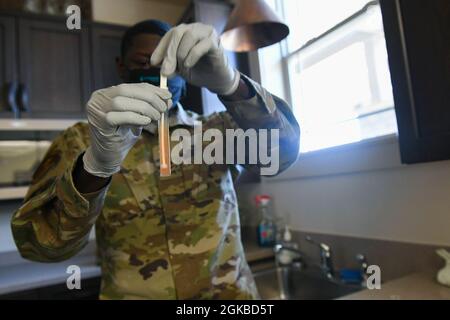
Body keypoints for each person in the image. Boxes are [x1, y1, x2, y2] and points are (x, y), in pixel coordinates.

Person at [11, 20, 300, 300]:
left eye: (167, 65)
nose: (156, 72)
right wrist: (95, 166)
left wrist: (232, 84)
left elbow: (281, 153)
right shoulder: (81, 141)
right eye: (142, 62)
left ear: (184, 73)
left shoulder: (217, 130)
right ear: (121, 67)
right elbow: (39, 245)